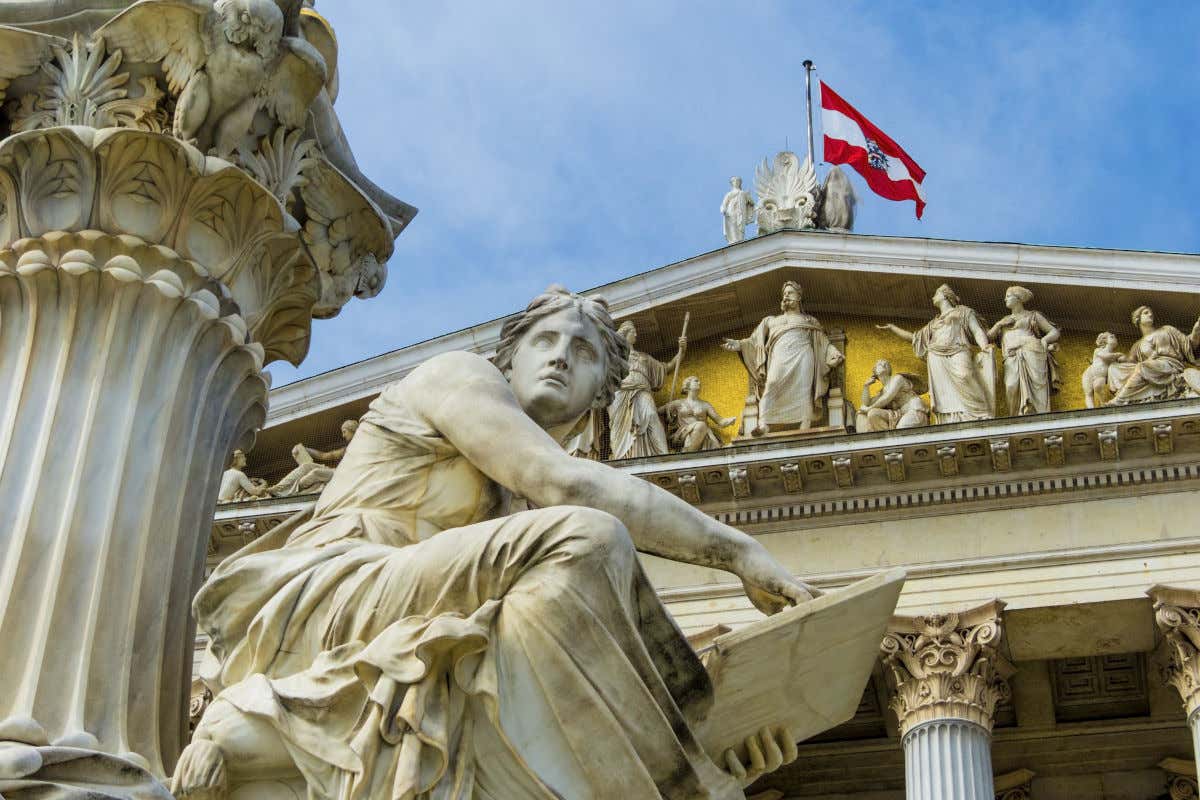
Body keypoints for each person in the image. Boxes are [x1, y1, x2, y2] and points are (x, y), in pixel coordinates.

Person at [176, 286, 814, 800]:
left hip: (417, 605)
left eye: (586, 353)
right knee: (586, 536)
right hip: (337, 591)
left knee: (560, 597)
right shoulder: (458, 377)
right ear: (510, 356)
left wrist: (720, 733)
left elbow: (552, 688)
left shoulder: (516, 518)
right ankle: (689, 790)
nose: (562, 355)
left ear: (604, 394)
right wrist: (738, 551)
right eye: (545, 340)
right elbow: (561, 480)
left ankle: (684, 766)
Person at [722, 280, 844, 435]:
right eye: (784, 293)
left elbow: (822, 342)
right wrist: (739, 345)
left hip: (803, 355)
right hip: (780, 357)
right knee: (771, 384)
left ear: (799, 297)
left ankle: (805, 423)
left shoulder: (809, 320)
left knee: (804, 388)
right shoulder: (771, 320)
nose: (786, 296)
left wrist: (834, 353)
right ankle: (763, 423)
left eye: (790, 293)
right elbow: (754, 341)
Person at [877, 283, 994, 423]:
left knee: (965, 375)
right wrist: (893, 328)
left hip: (959, 350)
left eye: (936, 294)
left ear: (945, 295)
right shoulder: (933, 323)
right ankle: (950, 420)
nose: (933, 297)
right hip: (936, 357)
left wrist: (984, 346)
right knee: (945, 392)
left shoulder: (964, 312)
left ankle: (981, 412)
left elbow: (976, 330)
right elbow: (914, 338)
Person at [608, 320, 684, 459]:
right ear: (625, 334)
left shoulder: (644, 357)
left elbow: (667, 367)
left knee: (651, 415)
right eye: (633, 332)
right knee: (620, 426)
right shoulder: (612, 357)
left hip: (642, 390)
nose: (636, 334)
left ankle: (664, 454)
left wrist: (681, 350)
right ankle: (622, 456)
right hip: (620, 393)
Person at [986, 286, 1060, 416]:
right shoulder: (1004, 320)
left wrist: (1045, 340)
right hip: (1011, 356)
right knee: (1011, 385)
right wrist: (999, 324)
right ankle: (1015, 417)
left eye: (1008, 296)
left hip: (1032, 351)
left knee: (1037, 384)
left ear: (1018, 298)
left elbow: (1054, 331)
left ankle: (1040, 415)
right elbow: (989, 337)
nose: (1005, 299)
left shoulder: (1032, 315)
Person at [1107, 305, 1200, 405]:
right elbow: (1130, 363)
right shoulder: (1137, 345)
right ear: (1138, 319)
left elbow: (1188, 344)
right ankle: (1125, 395)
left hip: (1170, 365)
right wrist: (1116, 358)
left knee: (1142, 366)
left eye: (1150, 312)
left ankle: (1120, 400)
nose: (1150, 314)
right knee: (1114, 368)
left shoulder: (1167, 330)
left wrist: (1196, 331)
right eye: (1146, 313)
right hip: (1152, 369)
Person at [267, 419, 358, 497]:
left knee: (315, 472)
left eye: (344, 431)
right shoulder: (346, 449)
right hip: (335, 471)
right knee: (306, 466)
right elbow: (324, 455)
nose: (343, 435)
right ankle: (278, 488)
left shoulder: (362, 446)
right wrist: (304, 449)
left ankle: (290, 493)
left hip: (342, 475)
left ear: (352, 430)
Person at [660, 375, 736, 452]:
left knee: (702, 427)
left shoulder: (705, 405)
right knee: (701, 425)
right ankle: (688, 452)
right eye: (696, 381)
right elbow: (658, 413)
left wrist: (730, 420)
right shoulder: (677, 403)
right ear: (688, 385)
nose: (699, 383)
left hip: (703, 434)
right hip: (683, 435)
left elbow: (720, 421)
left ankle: (688, 452)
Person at [856, 360, 929, 431]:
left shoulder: (897, 378)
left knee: (901, 429)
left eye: (885, 363)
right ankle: (885, 439)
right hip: (900, 414)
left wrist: (868, 409)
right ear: (875, 374)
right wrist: (866, 386)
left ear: (889, 369)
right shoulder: (882, 392)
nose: (883, 363)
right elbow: (867, 403)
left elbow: (887, 397)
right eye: (879, 364)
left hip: (914, 409)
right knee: (872, 413)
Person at [1082, 332, 1124, 409]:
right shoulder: (1098, 350)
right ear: (1104, 341)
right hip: (1089, 373)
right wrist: (1118, 354)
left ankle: (1102, 405)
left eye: (1115, 337)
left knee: (1098, 386)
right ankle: (1091, 409)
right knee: (1088, 393)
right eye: (1111, 337)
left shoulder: (1113, 357)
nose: (1115, 337)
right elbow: (1105, 356)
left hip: (1100, 376)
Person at [720, 176, 755, 244]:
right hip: (731, 210)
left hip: (741, 211)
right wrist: (723, 209)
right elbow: (724, 203)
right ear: (732, 183)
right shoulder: (730, 194)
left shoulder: (743, 193)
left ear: (740, 183)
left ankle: (740, 239)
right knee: (732, 224)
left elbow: (752, 203)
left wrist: (748, 196)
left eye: (738, 181)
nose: (736, 182)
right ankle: (734, 240)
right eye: (734, 181)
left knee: (741, 225)